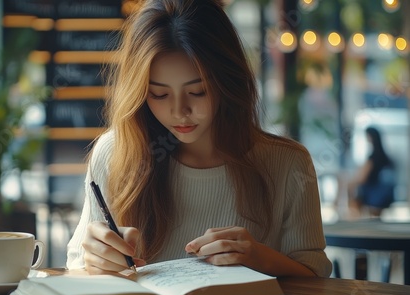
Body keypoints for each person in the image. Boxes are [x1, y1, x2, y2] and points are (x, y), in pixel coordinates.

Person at [67, 0, 332, 278]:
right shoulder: (114, 153)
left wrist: (260, 258)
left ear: (227, 83)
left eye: (198, 92)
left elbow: (316, 278)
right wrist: (92, 260)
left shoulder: (288, 164)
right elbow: (75, 264)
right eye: (159, 94)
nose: (179, 112)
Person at [349, 126, 396, 217]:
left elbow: (362, 178)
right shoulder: (386, 159)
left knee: (351, 187)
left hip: (373, 195)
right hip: (386, 196)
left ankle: (352, 219)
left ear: (370, 138)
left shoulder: (373, 158)